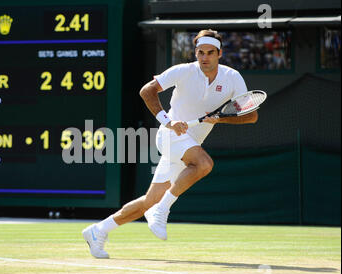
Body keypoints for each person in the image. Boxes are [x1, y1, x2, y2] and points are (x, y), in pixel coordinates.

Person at [82, 29, 258, 258]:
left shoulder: (232, 77)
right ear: (195, 53)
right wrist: (169, 121)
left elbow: (251, 115)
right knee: (204, 164)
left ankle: (98, 230)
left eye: (210, 53)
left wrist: (221, 118)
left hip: (190, 143)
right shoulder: (183, 71)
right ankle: (163, 210)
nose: (205, 57)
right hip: (170, 136)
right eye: (200, 52)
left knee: (149, 200)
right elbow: (147, 91)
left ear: (219, 54)